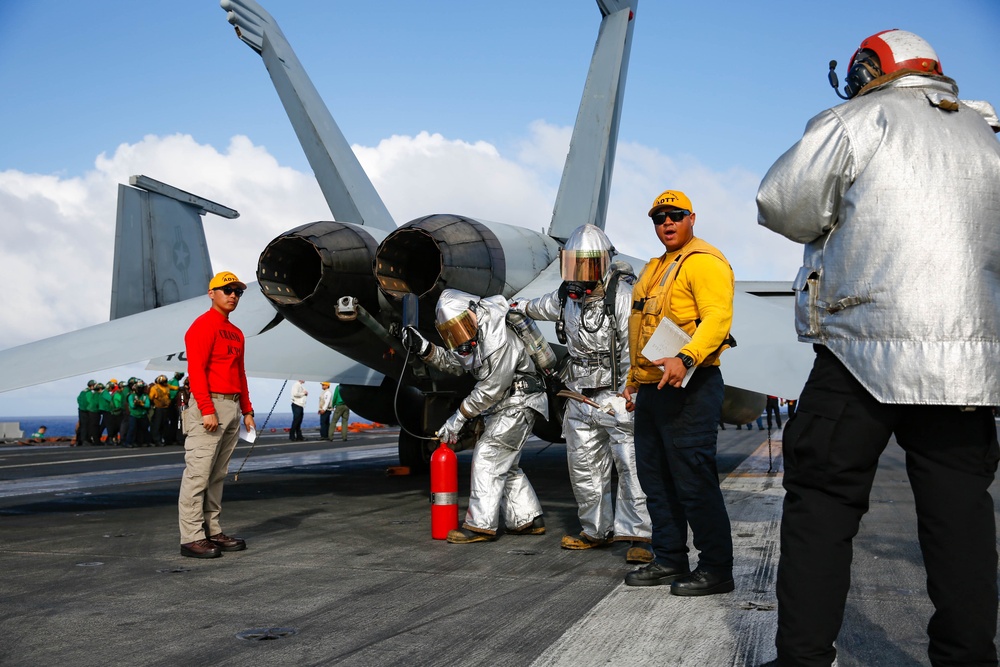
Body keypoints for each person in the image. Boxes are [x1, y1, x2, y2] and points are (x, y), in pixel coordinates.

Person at [756, 29, 1000, 666]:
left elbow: (783, 206)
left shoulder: (857, 119)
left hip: (860, 354)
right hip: (967, 369)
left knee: (823, 510)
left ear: (869, 69)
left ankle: (804, 658)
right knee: (962, 523)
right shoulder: (986, 135)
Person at [511, 224, 652, 564]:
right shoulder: (566, 298)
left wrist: (629, 393)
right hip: (578, 398)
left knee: (632, 468)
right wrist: (513, 306)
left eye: (588, 264)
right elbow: (538, 307)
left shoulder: (622, 296)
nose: (580, 274)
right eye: (575, 265)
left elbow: (632, 347)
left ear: (604, 263)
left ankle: (639, 536)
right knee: (585, 468)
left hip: (616, 397)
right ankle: (595, 531)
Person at [622, 189, 736, 596]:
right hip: (655, 387)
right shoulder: (656, 267)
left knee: (693, 480)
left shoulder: (703, 262)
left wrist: (686, 358)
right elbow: (644, 329)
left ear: (691, 218)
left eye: (674, 215)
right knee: (657, 480)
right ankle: (669, 557)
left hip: (692, 385)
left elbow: (717, 320)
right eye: (658, 217)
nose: (666, 223)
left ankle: (717, 568)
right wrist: (635, 379)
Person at [402, 288, 547, 544]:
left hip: (519, 401)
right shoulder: (469, 333)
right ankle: (527, 519)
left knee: (488, 456)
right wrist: (424, 349)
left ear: (474, 313)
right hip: (505, 405)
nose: (459, 337)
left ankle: (480, 525)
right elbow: (455, 362)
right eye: (452, 332)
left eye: (461, 328)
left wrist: (456, 420)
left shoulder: (500, 337)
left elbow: (490, 390)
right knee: (506, 463)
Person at [178, 271, 255, 559]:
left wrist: (247, 410)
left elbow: (240, 373)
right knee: (198, 474)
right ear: (212, 293)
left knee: (217, 475)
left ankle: (212, 530)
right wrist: (207, 409)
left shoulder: (235, 332)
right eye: (227, 290)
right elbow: (196, 371)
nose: (233, 295)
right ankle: (191, 537)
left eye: (237, 292)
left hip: (232, 407)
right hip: (208, 407)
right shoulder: (202, 326)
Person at [126, 380, 151, 447]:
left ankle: (144, 442)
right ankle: (128, 442)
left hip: (142, 415)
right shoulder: (131, 396)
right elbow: (132, 406)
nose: (140, 389)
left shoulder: (145, 396)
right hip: (134, 415)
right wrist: (137, 404)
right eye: (139, 388)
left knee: (144, 429)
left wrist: (141, 404)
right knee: (132, 429)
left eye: (142, 388)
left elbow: (148, 405)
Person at [148, 375, 172, 446]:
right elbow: (151, 397)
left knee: (164, 424)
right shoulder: (155, 388)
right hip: (158, 408)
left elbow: (175, 388)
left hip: (166, 408)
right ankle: (156, 440)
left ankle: (164, 438)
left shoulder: (167, 387)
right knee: (157, 424)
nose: (165, 383)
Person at [75, 379, 95, 446]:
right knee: (86, 426)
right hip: (86, 411)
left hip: (80, 410)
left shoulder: (83, 392)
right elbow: (90, 402)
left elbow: (78, 399)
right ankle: (85, 440)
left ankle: (79, 440)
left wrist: (81, 405)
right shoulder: (89, 393)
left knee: (81, 425)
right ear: (92, 386)